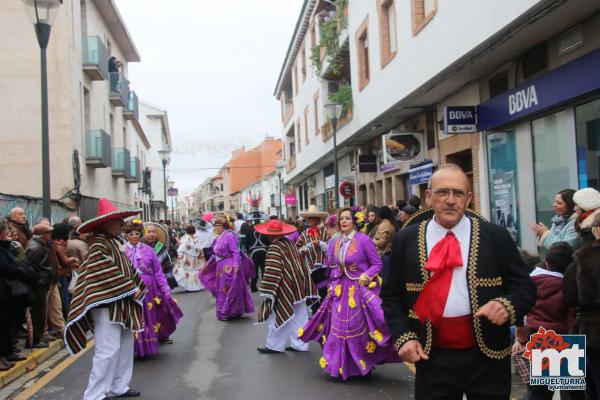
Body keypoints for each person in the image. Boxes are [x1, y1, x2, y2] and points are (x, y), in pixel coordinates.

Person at [381, 164, 536, 400]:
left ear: (469, 198)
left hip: (488, 357)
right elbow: (391, 296)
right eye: (443, 192)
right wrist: (404, 336)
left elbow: (524, 287)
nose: (451, 200)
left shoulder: (495, 236)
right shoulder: (406, 239)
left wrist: (507, 304)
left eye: (459, 193)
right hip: (430, 356)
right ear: (429, 196)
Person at [299, 207, 400, 379]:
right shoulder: (337, 241)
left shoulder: (364, 240)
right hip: (340, 289)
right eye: (341, 219)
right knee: (338, 327)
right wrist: (333, 282)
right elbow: (332, 265)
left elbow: (377, 265)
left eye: (347, 218)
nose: (343, 221)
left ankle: (361, 364)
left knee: (356, 326)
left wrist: (365, 276)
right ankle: (339, 366)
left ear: (354, 221)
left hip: (358, 289)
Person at [65, 198, 146, 400]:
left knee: (125, 346)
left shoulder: (113, 242)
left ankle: (119, 386)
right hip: (107, 305)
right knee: (107, 350)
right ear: (107, 223)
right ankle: (94, 394)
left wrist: (138, 286)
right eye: (118, 221)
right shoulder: (98, 245)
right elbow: (102, 270)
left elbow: (127, 270)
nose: (122, 225)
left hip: (122, 304)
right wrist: (130, 287)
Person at [514, 241, 573, 400]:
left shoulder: (532, 280)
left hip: (535, 335)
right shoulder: (568, 285)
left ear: (547, 262)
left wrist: (520, 326)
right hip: (563, 338)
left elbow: (519, 305)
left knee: (539, 391)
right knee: (571, 391)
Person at [256, 220, 318, 353]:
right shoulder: (290, 243)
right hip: (299, 286)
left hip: (286, 287)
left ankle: (274, 345)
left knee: (277, 316)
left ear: (269, 235)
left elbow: (273, 271)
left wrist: (269, 292)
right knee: (300, 317)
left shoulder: (274, 248)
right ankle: (300, 345)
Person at [125, 219, 182, 356]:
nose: (134, 236)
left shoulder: (149, 250)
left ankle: (148, 346)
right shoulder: (121, 251)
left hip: (149, 291)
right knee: (134, 318)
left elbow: (158, 272)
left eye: (137, 233)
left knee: (148, 316)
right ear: (126, 235)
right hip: (128, 291)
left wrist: (165, 289)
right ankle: (134, 349)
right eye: (130, 233)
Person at [564, 212, 600, 400]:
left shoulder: (582, 258)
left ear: (597, 231)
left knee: (592, 387)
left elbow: (569, 296)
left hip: (592, 331)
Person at [199, 217, 254, 321]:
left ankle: (230, 311)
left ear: (224, 227)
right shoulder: (216, 238)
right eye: (215, 226)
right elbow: (215, 255)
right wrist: (207, 266)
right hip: (220, 267)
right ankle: (225, 310)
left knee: (229, 289)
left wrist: (236, 265)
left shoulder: (229, 236)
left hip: (230, 266)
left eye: (219, 226)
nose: (216, 228)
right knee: (222, 290)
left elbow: (235, 251)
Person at [0, 217, 36, 370]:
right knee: (1, 326)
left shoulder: (5, 247)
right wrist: (21, 270)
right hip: (2, 293)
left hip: (8, 293)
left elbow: (14, 263)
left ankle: (8, 352)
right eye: (6, 230)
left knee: (8, 325)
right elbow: (6, 267)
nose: (9, 233)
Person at [26, 223, 54, 348]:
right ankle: (34, 340)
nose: (51, 236)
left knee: (40, 313)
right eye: (49, 233)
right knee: (37, 314)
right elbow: (33, 269)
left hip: (40, 285)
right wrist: (42, 282)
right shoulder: (35, 248)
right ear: (43, 235)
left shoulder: (39, 245)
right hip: (37, 286)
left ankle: (37, 338)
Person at [297, 205, 330, 312]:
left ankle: (325, 314)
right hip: (310, 269)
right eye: (309, 218)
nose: (310, 220)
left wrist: (320, 243)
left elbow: (331, 246)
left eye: (312, 218)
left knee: (324, 292)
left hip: (324, 267)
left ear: (317, 219)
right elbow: (297, 248)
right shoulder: (304, 234)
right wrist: (302, 250)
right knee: (314, 293)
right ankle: (317, 315)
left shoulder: (325, 231)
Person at [531, 189, 580, 260]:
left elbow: (563, 249)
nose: (554, 205)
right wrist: (542, 233)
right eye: (554, 202)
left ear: (570, 206)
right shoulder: (559, 220)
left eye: (559, 203)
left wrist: (545, 234)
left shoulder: (575, 223)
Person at [144, 222, 177, 289]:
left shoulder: (161, 247)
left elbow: (167, 265)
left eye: (154, 232)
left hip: (160, 282)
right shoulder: (137, 248)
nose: (151, 234)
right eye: (149, 232)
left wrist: (169, 279)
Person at [173, 225, 205, 292]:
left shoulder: (186, 237)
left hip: (187, 257)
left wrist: (179, 254)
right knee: (194, 270)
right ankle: (196, 286)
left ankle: (189, 287)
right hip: (195, 258)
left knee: (186, 270)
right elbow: (200, 248)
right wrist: (202, 256)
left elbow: (182, 247)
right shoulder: (195, 238)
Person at [243, 212, 268, 292]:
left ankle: (253, 286)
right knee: (264, 269)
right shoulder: (264, 227)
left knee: (254, 269)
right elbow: (268, 239)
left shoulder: (249, 229)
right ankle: (266, 287)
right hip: (264, 251)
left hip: (254, 252)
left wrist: (247, 251)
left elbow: (246, 242)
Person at [373, 206, 396, 282]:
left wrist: (372, 241)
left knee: (384, 280)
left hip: (383, 255)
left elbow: (382, 242)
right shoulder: (386, 223)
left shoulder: (384, 225)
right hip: (384, 255)